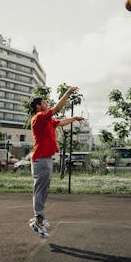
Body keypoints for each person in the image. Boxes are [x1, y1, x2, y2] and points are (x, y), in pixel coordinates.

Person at [28, 86, 84, 238]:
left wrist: (74, 119)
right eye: (44, 102)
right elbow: (57, 108)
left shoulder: (47, 121)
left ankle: (39, 217)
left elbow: (60, 122)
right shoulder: (38, 118)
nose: (47, 104)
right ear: (38, 106)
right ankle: (37, 221)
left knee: (44, 189)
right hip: (40, 160)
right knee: (40, 190)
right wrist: (68, 93)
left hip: (46, 159)